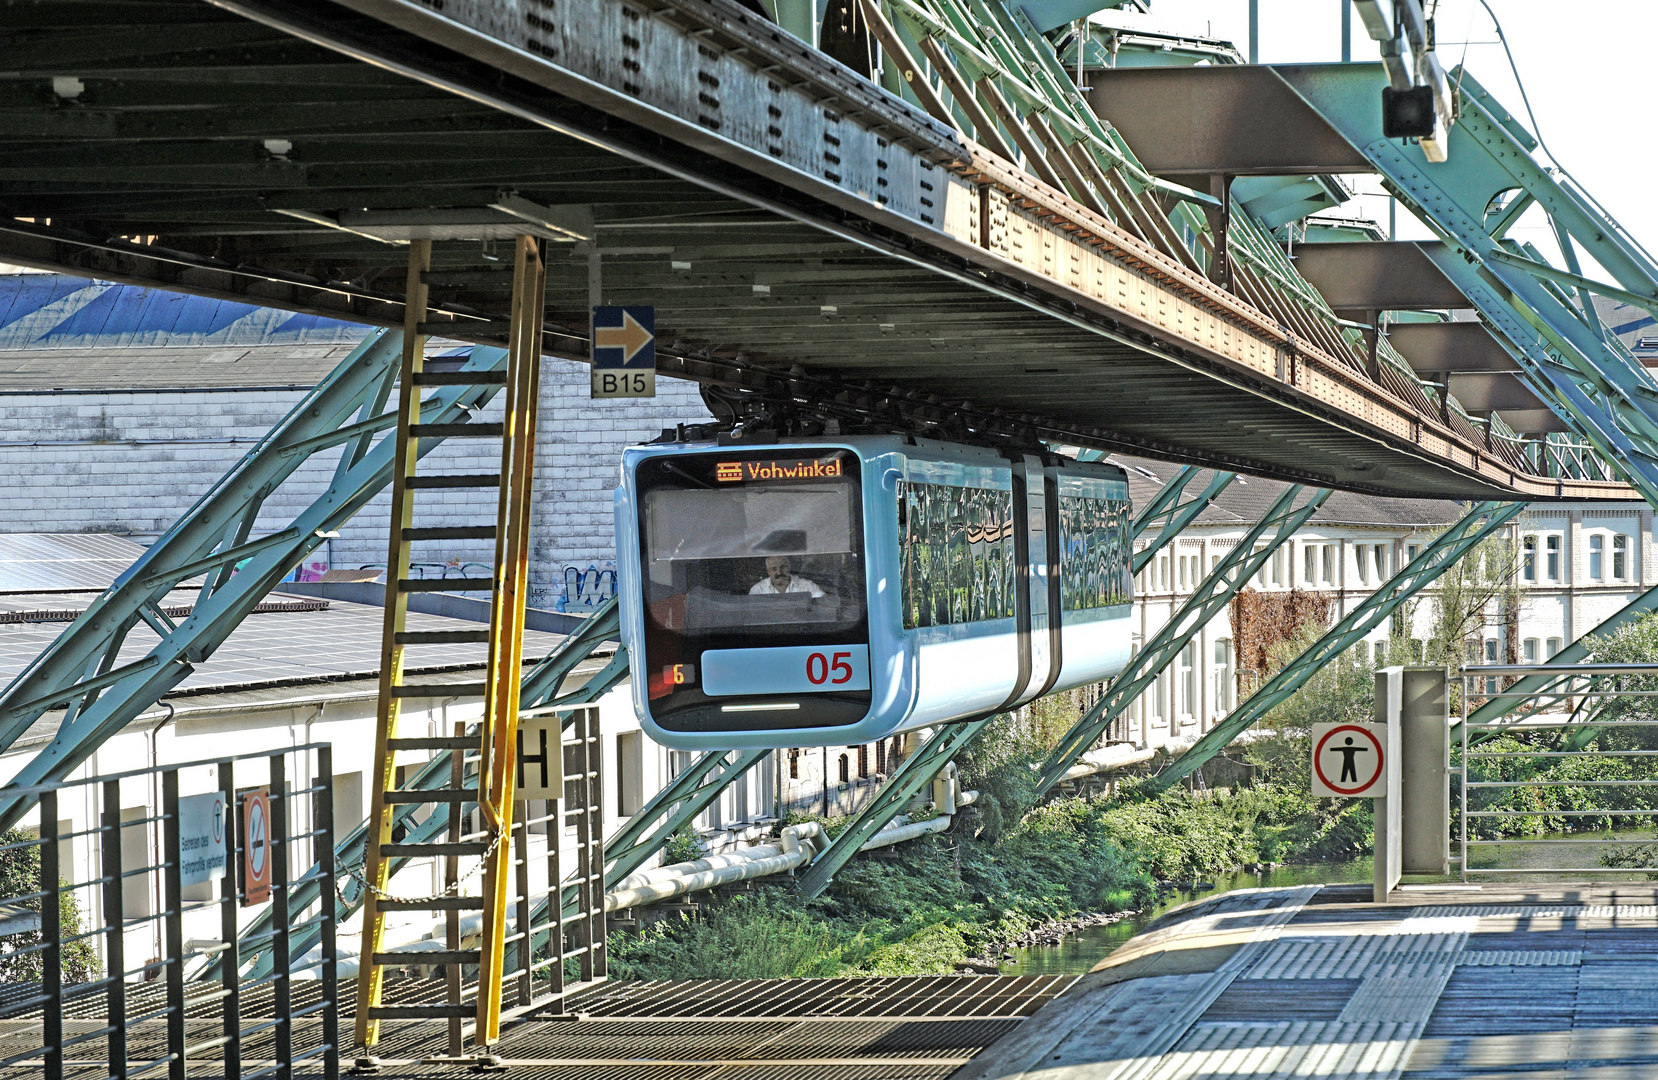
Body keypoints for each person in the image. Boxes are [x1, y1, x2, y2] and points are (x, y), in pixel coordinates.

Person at [749, 555, 825, 597]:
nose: (779, 572)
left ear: (789, 567)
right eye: (774, 569)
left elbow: (825, 600)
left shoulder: (806, 586)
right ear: (768, 571)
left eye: (782, 567)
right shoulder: (758, 590)